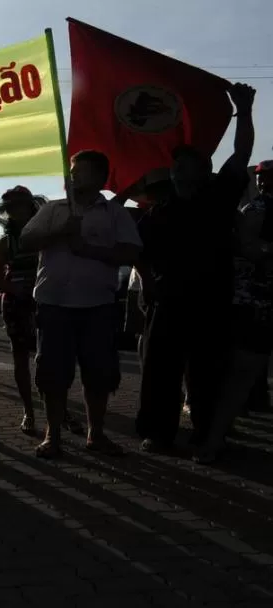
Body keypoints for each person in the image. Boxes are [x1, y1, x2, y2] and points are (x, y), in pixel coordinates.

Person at [134, 83, 255, 453]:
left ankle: (207, 433)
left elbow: (241, 153)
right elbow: (141, 251)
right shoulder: (159, 210)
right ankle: (158, 433)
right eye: (175, 164)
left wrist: (244, 111)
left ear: (204, 171)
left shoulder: (219, 196)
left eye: (186, 164)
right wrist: (147, 286)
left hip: (211, 301)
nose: (177, 169)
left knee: (208, 372)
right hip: (167, 302)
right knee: (160, 371)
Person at [21, 150, 142, 458]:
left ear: (101, 178)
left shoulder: (115, 214)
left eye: (81, 171)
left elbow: (131, 253)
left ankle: (96, 433)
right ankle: (53, 435)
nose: (73, 176)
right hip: (53, 305)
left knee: (99, 373)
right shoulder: (53, 209)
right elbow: (26, 240)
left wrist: (87, 249)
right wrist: (61, 231)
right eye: (72, 171)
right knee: (52, 374)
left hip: (97, 306)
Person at [195, 158, 270, 463]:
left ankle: (214, 438)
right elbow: (249, 249)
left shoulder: (251, 209)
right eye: (261, 178)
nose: (263, 183)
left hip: (254, 304)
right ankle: (213, 440)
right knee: (239, 375)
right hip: (253, 304)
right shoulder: (256, 210)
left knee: (240, 375)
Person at [0, 186, 44, 435]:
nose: (15, 210)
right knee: (20, 359)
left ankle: (58, 411)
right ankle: (29, 412)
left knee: (49, 359)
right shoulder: (4, 242)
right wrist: (15, 288)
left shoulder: (45, 235)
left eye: (20, 205)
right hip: (16, 304)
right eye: (10, 207)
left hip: (45, 301)